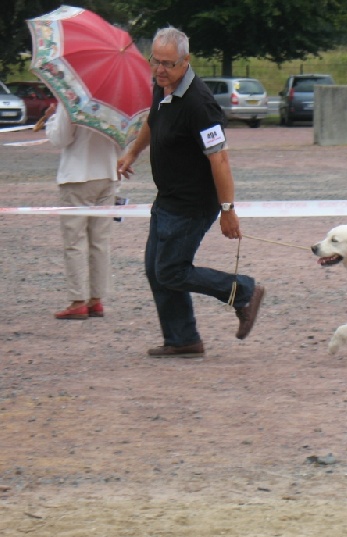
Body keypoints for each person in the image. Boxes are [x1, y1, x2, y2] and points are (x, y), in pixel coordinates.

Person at [117, 26, 264, 358]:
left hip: (193, 204)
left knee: (170, 270)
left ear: (186, 62)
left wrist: (228, 209)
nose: (159, 69)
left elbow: (221, 159)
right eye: (155, 61)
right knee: (157, 270)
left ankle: (243, 291)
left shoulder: (201, 104)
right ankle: (183, 339)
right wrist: (132, 152)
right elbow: (153, 123)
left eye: (168, 63)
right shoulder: (163, 88)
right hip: (167, 198)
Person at [45, 102, 122, 320]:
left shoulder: (71, 98)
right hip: (107, 173)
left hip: (77, 176)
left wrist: (51, 118)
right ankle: (96, 299)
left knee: (75, 241)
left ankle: (78, 300)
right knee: (100, 241)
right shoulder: (114, 101)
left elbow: (59, 138)